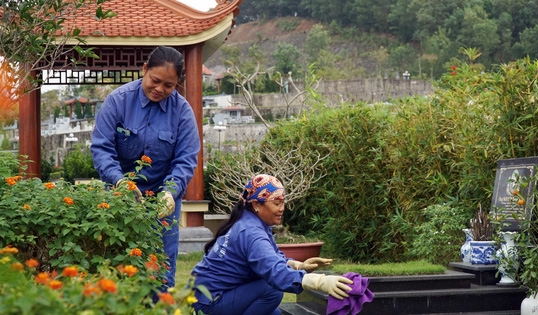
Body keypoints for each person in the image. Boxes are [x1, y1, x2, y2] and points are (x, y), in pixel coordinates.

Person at [91, 46, 201, 289]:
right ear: (144, 70)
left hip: (163, 200)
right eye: (155, 80)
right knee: (119, 265)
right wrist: (120, 182)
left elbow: (185, 158)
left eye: (169, 85)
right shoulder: (117, 101)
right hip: (119, 195)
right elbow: (101, 149)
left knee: (160, 269)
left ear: (177, 84)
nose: (160, 89)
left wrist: (170, 192)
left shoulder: (182, 111)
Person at [190, 174, 353, 315]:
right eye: (276, 203)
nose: (282, 209)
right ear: (256, 205)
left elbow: (271, 258)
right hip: (209, 302)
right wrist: (320, 282)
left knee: (272, 312)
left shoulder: (253, 223)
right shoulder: (252, 233)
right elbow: (275, 273)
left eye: (282, 202)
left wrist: (297, 265)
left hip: (212, 294)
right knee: (272, 290)